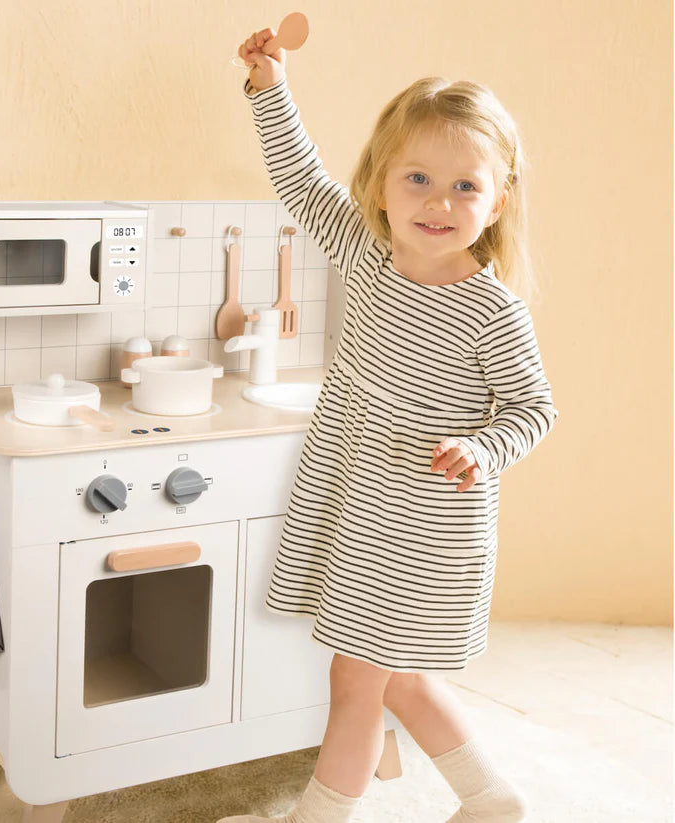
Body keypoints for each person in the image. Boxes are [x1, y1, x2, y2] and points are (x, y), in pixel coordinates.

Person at [217, 26, 560, 823]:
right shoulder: (368, 254)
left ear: (497, 198)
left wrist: (481, 446)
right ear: (378, 186)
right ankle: (490, 798)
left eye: (464, 187)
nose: (438, 204)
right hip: (366, 509)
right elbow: (301, 182)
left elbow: (533, 407)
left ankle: (321, 815)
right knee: (397, 677)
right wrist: (270, 88)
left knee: (355, 679)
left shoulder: (491, 312)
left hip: (428, 525)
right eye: (417, 179)